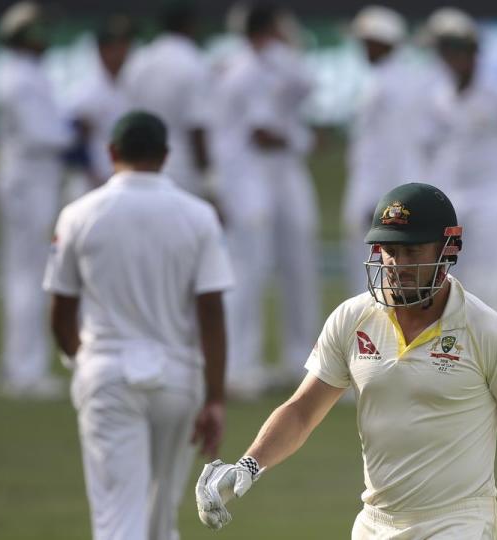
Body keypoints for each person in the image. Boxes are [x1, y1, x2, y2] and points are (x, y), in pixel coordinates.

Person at [195, 183, 497, 540]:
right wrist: (248, 464)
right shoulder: (352, 318)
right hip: (375, 523)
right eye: (389, 249)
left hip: (457, 522)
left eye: (412, 251)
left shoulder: (488, 331)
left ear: (448, 250)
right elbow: (303, 411)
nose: (397, 264)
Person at [44, 111, 234, 540]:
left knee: (118, 520)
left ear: (111, 152)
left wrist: (85, 363)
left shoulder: (78, 214)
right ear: (165, 156)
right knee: (159, 520)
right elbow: (212, 312)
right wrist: (216, 398)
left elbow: (60, 313)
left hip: (107, 373)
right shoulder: (199, 215)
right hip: (177, 380)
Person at [210, 3, 320, 398]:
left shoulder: (270, 65)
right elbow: (262, 132)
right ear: (268, 31)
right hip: (247, 179)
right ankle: (239, 367)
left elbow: (307, 84)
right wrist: (306, 140)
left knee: (298, 267)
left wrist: (288, 46)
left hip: (276, 175)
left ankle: (300, 360)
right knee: (247, 271)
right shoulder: (243, 70)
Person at [420, 8, 497, 318]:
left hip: (494, 198)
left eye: (456, 51)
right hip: (452, 200)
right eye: (444, 51)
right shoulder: (437, 98)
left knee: (493, 282)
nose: (450, 59)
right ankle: (456, 361)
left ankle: (496, 361)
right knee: (451, 283)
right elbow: (428, 150)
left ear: (472, 52)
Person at [0, 1, 73, 399]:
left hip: (33, 181)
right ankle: (24, 370)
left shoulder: (26, 74)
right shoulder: (19, 78)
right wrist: (74, 136)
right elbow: (42, 134)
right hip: (29, 182)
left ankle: (20, 365)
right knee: (29, 278)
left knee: (27, 276)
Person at [341, 5, 426, 294]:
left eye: (367, 42)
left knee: (371, 275)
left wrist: (378, 200)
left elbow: (389, 148)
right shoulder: (403, 79)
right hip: (385, 190)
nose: (363, 48)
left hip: (377, 193)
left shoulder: (386, 85)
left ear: (383, 42)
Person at [122, 2, 213, 199]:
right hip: (181, 167)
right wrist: (208, 177)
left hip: (138, 165)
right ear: (190, 26)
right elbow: (196, 126)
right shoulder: (193, 62)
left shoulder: (139, 60)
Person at [64, 15, 135, 192]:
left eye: (124, 45)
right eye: (114, 47)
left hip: (127, 180)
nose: (120, 53)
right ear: (101, 50)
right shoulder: (84, 92)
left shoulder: (135, 86)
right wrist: (91, 173)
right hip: (90, 182)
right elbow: (75, 144)